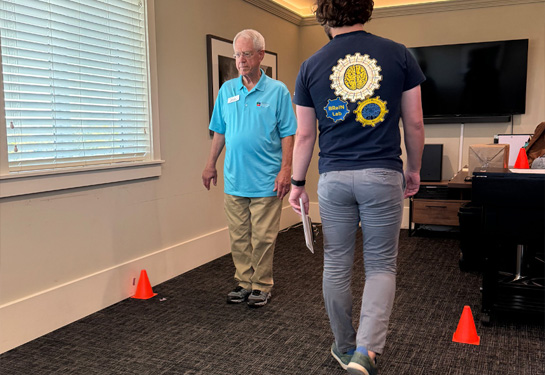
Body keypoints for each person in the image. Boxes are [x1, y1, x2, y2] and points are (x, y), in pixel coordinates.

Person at [288, 1, 425, 373]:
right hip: (382, 173)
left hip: (333, 178)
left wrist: (297, 184)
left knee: (335, 264)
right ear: (366, 8)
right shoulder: (398, 54)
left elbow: (304, 136)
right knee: (381, 265)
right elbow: (413, 124)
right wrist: (413, 170)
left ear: (323, 15)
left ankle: (344, 345)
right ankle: (365, 352)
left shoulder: (310, 66)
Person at [202, 29, 296, 308]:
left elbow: (288, 133)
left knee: (264, 238)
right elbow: (219, 131)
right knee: (239, 236)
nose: (240, 60)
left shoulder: (277, 91)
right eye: (237, 54)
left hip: (267, 179)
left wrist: (286, 170)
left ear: (260, 55)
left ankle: (262, 285)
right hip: (234, 178)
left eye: (245, 53)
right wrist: (210, 165)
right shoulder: (228, 90)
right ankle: (244, 282)